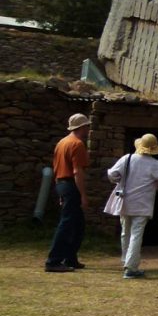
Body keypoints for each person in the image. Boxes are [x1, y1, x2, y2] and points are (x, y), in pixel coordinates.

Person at [104, 133, 158, 278]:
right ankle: (131, 267)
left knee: (125, 232)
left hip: (125, 200)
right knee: (136, 234)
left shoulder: (128, 158)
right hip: (143, 203)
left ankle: (127, 261)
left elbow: (112, 174)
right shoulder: (156, 164)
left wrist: (120, 180)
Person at [45, 113, 92, 272]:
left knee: (78, 224)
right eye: (87, 126)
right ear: (82, 127)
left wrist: (60, 191)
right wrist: (83, 195)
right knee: (66, 223)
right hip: (71, 185)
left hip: (62, 183)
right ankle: (53, 261)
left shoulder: (62, 142)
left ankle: (70, 257)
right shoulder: (77, 144)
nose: (88, 129)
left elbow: (57, 167)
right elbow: (77, 171)